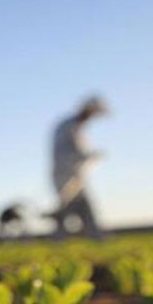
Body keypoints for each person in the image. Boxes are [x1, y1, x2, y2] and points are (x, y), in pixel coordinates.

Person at [49, 96, 107, 240]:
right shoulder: (70, 126)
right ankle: (60, 238)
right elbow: (73, 151)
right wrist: (91, 155)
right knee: (69, 206)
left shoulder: (73, 126)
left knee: (80, 206)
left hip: (73, 174)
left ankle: (93, 235)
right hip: (65, 174)